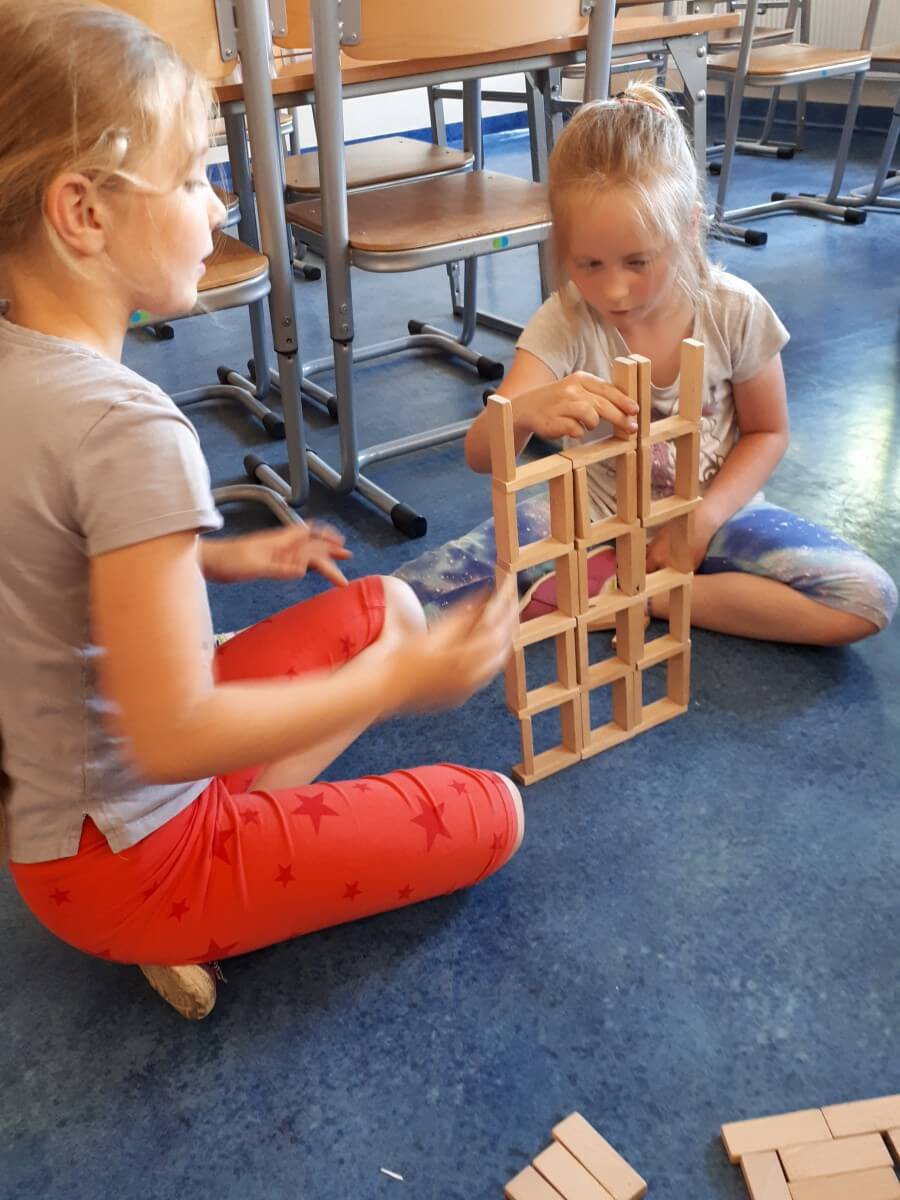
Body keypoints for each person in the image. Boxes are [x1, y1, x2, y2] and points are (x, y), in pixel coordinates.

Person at [0, 0, 523, 1021]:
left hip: (60, 833)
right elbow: (174, 735)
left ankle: (223, 868)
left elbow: (38, 561)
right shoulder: (127, 427)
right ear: (84, 214)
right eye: (193, 176)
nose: (221, 204)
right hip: (133, 863)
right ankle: (189, 910)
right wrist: (400, 685)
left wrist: (207, 561)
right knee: (491, 810)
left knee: (388, 608)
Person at [396, 83, 897, 645]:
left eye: (638, 262)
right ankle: (611, 581)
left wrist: (701, 521)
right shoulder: (564, 320)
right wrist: (527, 411)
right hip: (589, 508)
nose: (614, 289)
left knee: (865, 597)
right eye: (588, 263)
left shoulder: (735, 311)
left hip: (713, 509)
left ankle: (639, 595)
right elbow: (479, 454)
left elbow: (768, 432)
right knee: (412, 599)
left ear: (688, 227)